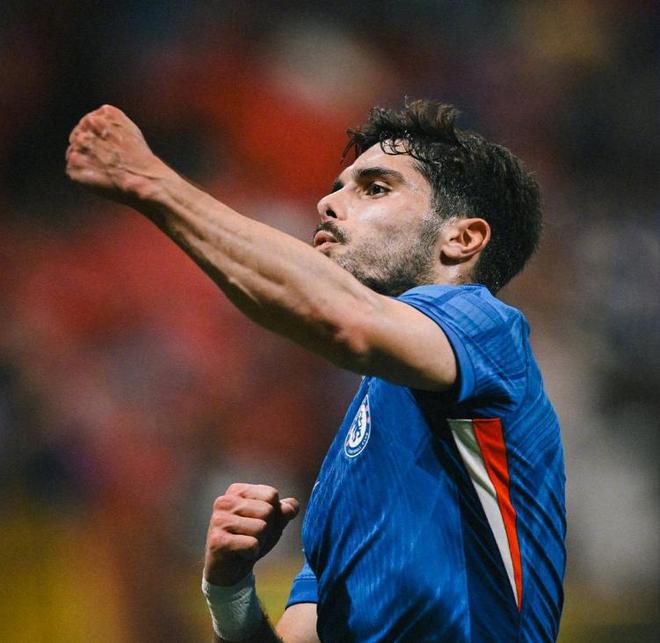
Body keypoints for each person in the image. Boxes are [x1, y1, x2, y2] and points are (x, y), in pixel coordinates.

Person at [66, 99, 566, 642]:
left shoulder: (486, 328)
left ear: (461, 239)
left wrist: (153, 182)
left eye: (375, 188)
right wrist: (229, 591)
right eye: (338, 186)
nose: (327, 202)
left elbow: (344, 321)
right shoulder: (341, 476)